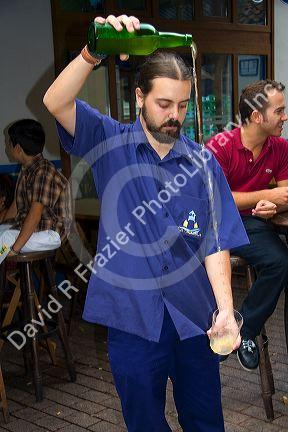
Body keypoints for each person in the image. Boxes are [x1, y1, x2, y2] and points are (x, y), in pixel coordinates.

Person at [44, 14, 248, 432]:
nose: (176, 115)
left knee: (206, 421)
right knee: (143, 423)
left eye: (184, 104)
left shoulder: (204, 164)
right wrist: (92, 52)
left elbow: (215, 243)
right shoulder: (108, 142)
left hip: (195, 320)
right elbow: (56, 102)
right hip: (132, 320)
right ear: (139, 96)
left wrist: (226, 310)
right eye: (164, 104)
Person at [207, 79, 288, 371]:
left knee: (281, 261)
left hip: (251, 224)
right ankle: (217, 329)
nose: (284, 117)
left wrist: (273, 206)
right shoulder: (219, 146)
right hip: (214, 228)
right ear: (257, 116)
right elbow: (217, 199)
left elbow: (285, 193)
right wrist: (268, 195)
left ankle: (244, 329)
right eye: (279, 111)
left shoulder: (279, 147)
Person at [0, 119, 71, 258]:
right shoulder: (26, 169)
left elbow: (34, 216)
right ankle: (1, 255)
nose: (7, 147)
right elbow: (16, 206)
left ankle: (1, 255)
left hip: (51, 233)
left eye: (8, 143)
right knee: (3, 233)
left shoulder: (43, 171)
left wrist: (14, 250)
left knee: (6, 238)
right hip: (37, 230)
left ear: (18, 148)